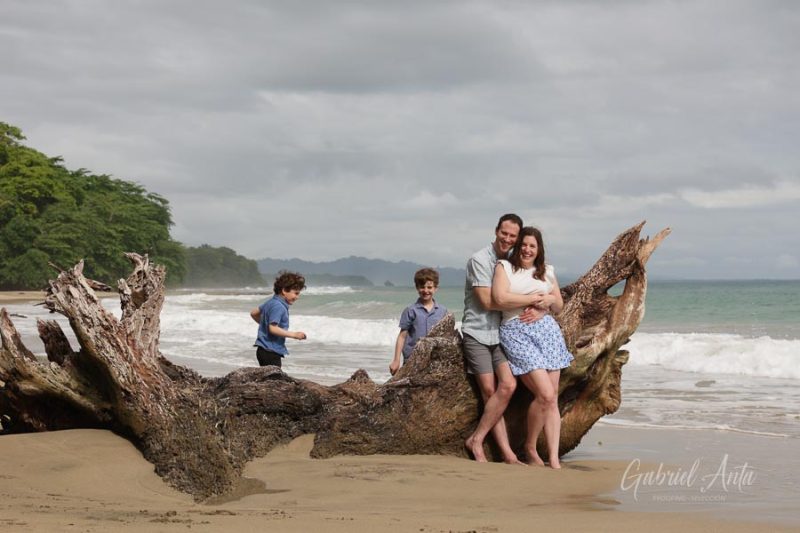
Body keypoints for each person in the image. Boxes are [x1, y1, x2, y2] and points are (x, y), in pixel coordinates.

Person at [462, 214, 549, 464]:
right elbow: (491, 301)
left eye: (513, 236)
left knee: (508, 386)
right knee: (489, 390)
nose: (508, 239)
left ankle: (480, 439)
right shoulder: (480, 260)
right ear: (496, 231)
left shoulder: (511, 262)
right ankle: (501, 451)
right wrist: (534, 298)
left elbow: (531, 290)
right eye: (504, 233)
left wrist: (545, 304)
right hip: (477, 333)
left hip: (498, 334)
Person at [493, 227, 574, 468]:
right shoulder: (504, 267)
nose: (528, 250)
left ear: (539, 250)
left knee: (553, 398)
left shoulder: (547, 271)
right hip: (516, 331)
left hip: (547, 333)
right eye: (524, 245)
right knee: (545, 393)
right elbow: (500, 298)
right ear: (518, 246)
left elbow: (558, 305)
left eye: (533, 246)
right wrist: (534, 300)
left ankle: (552, 458)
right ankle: (530, 446)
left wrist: (549, 302)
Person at [389, 268, 448, 376]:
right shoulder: (411, 310)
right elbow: (402, 336)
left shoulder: (442, 311)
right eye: (422, 287)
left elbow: (446, 337)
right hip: (412, 359)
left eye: (429, 287)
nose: (426, 290)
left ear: (435, 288)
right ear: (417, 288)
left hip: (434, 360)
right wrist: (396, 360)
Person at [250, 270, 307, 368]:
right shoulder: (279, 306)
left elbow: (254, 313)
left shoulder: (271, 302)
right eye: (296, 293)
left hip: (263, 350)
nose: (297, 297)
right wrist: (294, 334)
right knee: (274, 380)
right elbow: (273, 328)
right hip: (270, 351)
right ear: (284, 290)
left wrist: (264, 324)